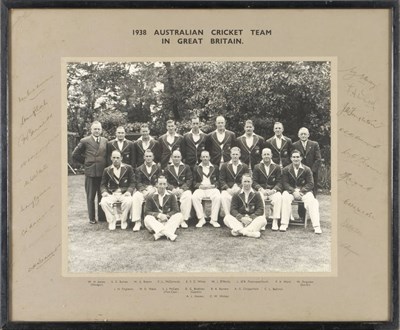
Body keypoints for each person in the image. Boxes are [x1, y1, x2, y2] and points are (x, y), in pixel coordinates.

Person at [72, 121, 107, 224]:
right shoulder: (84, 141)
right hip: (90, 173)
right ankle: (92, 218)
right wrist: (86, 162)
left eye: (98, 129)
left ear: (101, 130)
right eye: (95, 129)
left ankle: (102, 217)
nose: (97, 131)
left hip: (102, 172)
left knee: (102, 195)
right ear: (91, 130)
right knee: (90, 196)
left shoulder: (105, 141)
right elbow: (75, 154)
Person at [280, 150, 322, 234]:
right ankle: (284, 224)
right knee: (284, 197)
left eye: (297, 157)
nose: (296, 159)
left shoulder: (307, 169)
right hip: (290, 192)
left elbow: (310, 183)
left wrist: (301, 192)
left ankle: (317, 226)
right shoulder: (286, 169)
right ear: (291, 158)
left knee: (313, 201)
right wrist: (293, 191)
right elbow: (285, 183)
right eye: (294, 157)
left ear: (301, 158)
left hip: (304, 192)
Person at [99, 150, 135, 230]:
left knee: (129, 201)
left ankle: (123, 220)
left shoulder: (128, 168)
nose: (116, 159)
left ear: (121, 158)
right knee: (103, 202)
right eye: (114, 157)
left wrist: (129, 191)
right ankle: (112, 220)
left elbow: (132, 182)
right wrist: (104, 192)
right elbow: (103, 184)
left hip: (124, 193)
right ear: (111, 158)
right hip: (112, 193)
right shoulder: (107, 170)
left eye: (118, 158)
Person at [223, 173, 267, 238]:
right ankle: (248, 233)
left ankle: (239, 231)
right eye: (245, 181)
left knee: (263, 219)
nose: (246, 184)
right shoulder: (236, 194)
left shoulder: (257, 194)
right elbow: (233, 210)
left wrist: (250, 218)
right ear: (241, 182)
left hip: (252, 221)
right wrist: (241, 218)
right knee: (227, 218)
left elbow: (260, 209)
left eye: (248, 181)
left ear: (252, 182)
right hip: (240, 221)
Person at [143, 176, 184, 241]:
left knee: (180, 215)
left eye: (164, 184)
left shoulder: (171, 195)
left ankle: (159, 234)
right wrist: (159, 215)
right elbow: (147, 211)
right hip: (156, 222)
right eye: (160, 184)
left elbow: (176, 210)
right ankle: (169, 234)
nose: (162, 186)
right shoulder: (150, 196)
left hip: (167, 221)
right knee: (147, 218)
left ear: (167, 185)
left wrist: (166, 216)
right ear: (156, 185)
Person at [131, 149, 162, 231]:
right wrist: (143, 190)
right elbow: (138, 182)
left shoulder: (157, 167)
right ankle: (137, 222)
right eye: (147, 156)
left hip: (154, 189)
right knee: (136, 196)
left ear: (153, 157)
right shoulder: (139, 169)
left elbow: (160, 180)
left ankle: (158, 219)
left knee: (159, 195)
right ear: (144, 157)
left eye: (150, 156)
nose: (148, 158)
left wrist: (155, 188)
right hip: (143, 190)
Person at [252, 148, 283, 231]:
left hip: (272, 191)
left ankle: (275, 221)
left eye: (268, 154)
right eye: (264, 154)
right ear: (262, 156)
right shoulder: (257, 167)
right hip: (262, 191)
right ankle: (262, 222)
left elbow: (280, 182)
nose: (266, 156)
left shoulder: (277, 167)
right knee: (259, 197)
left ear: (271, 155)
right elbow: (254, 182)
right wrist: (261, 189)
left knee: (278, 197)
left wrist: (273, 190)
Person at [192, 150, 221, 228]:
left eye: (206, 156)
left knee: (218, 196)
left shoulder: (215, 167)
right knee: (194, 197)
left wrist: (214, 186)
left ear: (209, 157)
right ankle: (201, 219)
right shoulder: (196, 168)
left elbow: (219, 180)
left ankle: (214, 219)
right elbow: (193, 181)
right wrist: (199, 186)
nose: (205, 158)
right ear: (200, 158)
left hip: (212, 188)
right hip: (201, 189)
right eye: (203, 157)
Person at [164, 150, 193, 228]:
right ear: (171, 158)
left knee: (188, 195)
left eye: (178, 157)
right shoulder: (167, 168)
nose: (176, 159)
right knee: (169, 196)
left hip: (182, 189)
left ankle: (183, 219)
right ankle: (173, 220)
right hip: (172, 190)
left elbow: (189, 180)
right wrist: (172, 189)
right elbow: (165, 181)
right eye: (175, 157)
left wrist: (182, 189)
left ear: (181, 158)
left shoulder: (186, 167)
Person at [219, 147, 249, 216]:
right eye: (233, 154)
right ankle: (228, 215)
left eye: (236, 154)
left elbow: (247, 179)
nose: (235, 156)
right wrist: (228, 189)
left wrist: (240, 187)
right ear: (230, 155)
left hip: (241, 188)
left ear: (239, 155)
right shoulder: (224, 165)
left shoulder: (244, 166)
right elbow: (221, 179)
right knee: (224, 196)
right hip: (228, 188)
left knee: (245, 196)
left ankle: (241, 215)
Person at [292, 127, 321, 196]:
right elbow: (294, 158)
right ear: (298, 135)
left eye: (305, 134)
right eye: (301, 134)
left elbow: (318, 159)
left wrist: (311, 170)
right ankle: (301, 207)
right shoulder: (295, 145)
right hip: (300, 172)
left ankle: (313, 205)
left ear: (308, 135)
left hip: (312, 172)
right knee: (301, 191)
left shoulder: (314, 144)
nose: (303, 136)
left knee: (312, 192)